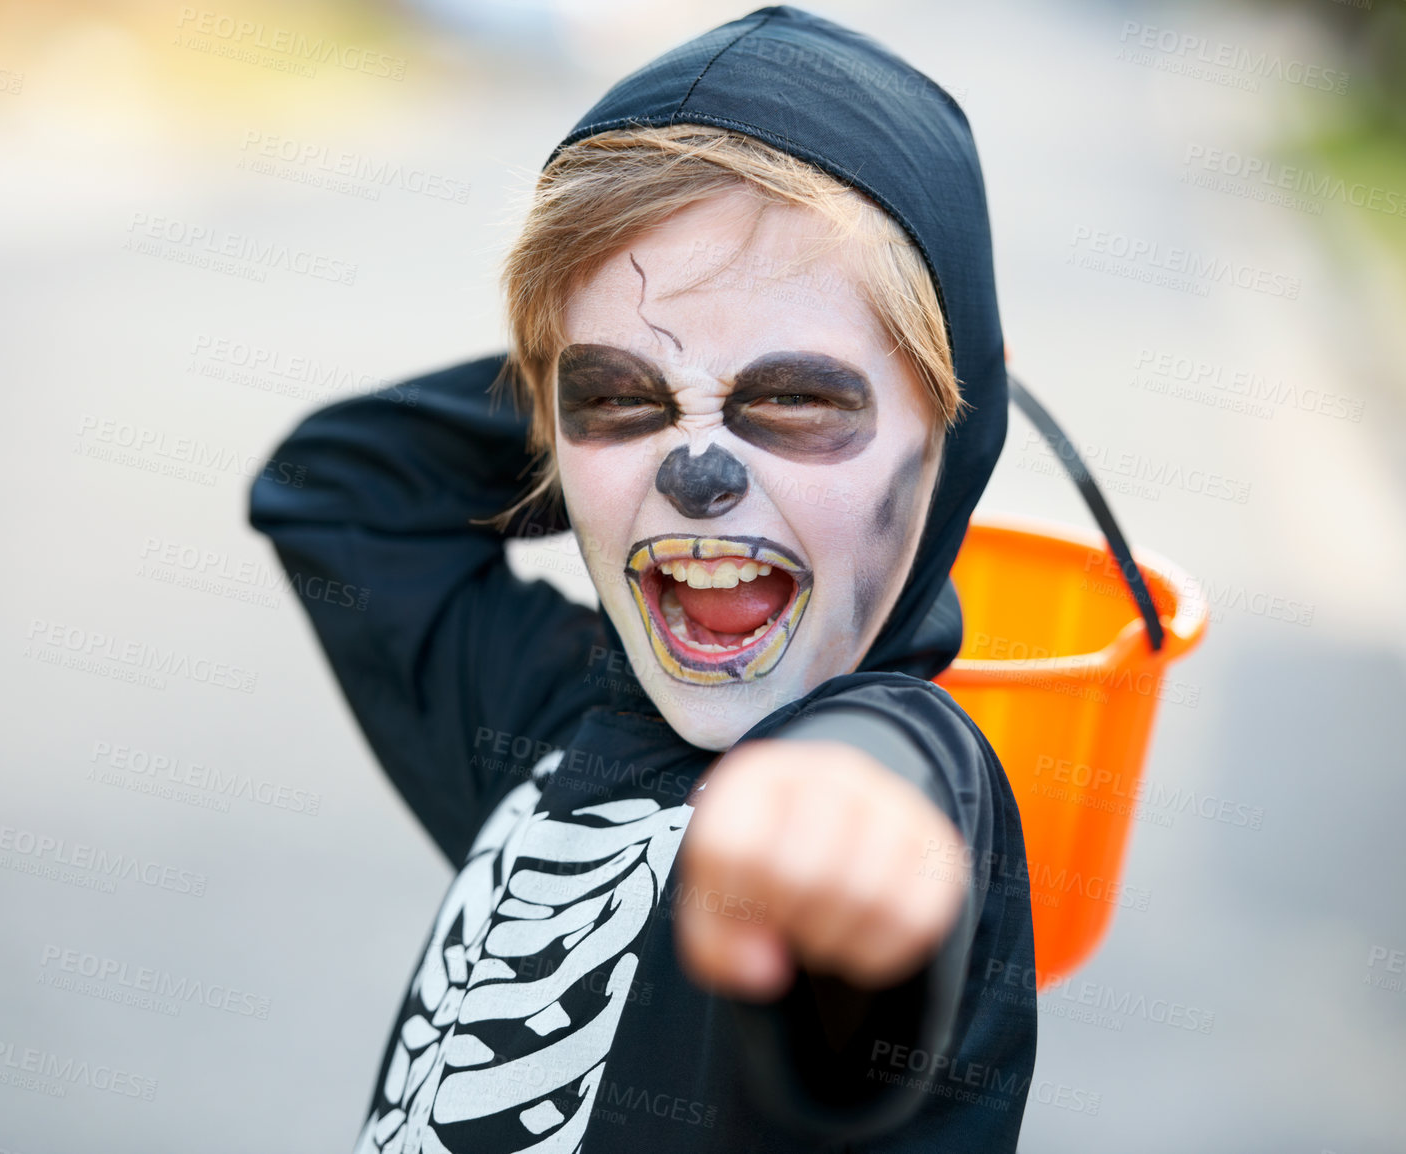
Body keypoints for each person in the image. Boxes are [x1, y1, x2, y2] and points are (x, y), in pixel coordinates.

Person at [251, 7, 1036, 1151]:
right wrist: (582, 375)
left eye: (796, 398)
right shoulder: (547, 717)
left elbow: (889, 796)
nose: (698, 473)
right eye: (616, 398)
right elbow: (337, 489)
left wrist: (842, 826)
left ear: (954, 429)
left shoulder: (903, 756)